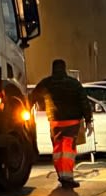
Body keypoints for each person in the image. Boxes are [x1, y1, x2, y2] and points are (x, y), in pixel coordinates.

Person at [32, 59, 93, 189]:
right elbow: (84, 102)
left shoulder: (46, 83)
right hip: (72, 122)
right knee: (68, 150)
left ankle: (61, 175)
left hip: (55, 122)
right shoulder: (74, 84)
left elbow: (33, 96)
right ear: (64, 68)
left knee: (58, 150)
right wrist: (88, 120)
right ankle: (67, 177)